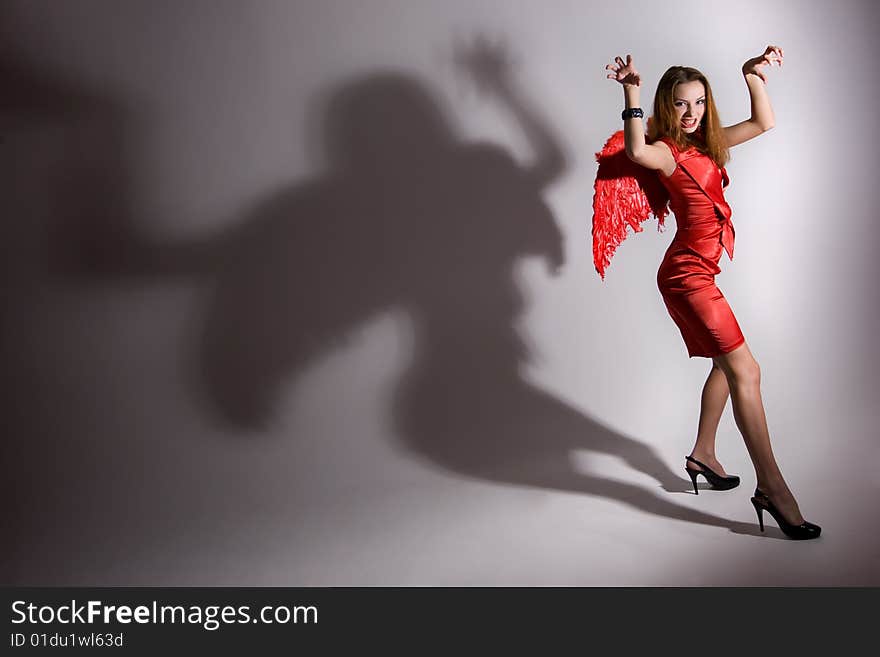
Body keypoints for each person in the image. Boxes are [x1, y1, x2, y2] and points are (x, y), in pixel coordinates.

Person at [600, 46, 820, 539]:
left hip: (701, 273)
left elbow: (763, 122)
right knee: (747, 370)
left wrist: (752, 76)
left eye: (699, 102)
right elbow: (635, 151)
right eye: (680, 104)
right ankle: (773, 488)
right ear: (666, 106)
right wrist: (633, 91)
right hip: (686, 275)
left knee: (728, 366)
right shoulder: (667, 153)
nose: (692, 113)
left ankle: (703, 454)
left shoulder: (708, 145)